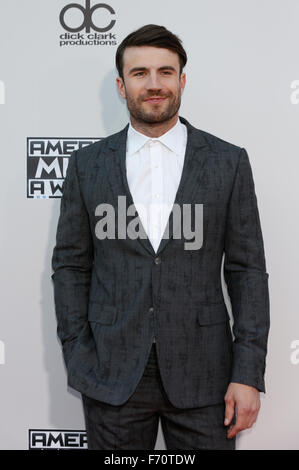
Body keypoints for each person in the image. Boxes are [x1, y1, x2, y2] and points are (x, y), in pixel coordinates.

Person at [51, 24, 270, 450]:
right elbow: (71, 267)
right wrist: (78, 354)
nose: (154, 85)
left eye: (166, 72)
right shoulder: (87, 166)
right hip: (110, 376)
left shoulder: (228, 162)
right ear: (121, 85)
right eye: (140, 73)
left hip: (206, 377)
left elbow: (248, 272)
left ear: (182, 80)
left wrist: (247, 372)